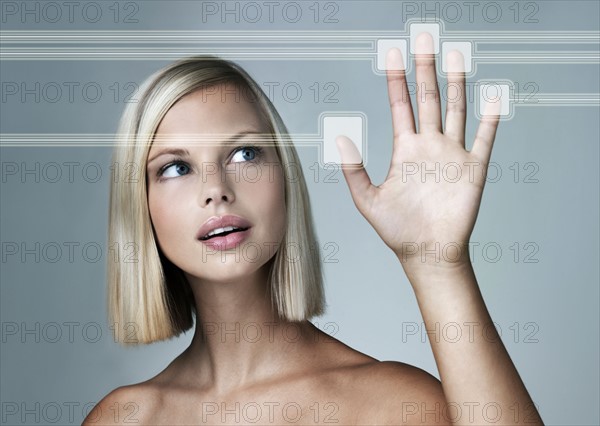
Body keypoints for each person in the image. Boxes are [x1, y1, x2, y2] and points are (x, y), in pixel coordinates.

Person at [84, 33, 543, 425]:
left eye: (245, 154)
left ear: (286, 177)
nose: (216, 189)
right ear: (139, 203)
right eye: (176, 167)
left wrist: (438, 266)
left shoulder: (393, 406)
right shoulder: (125, 418)